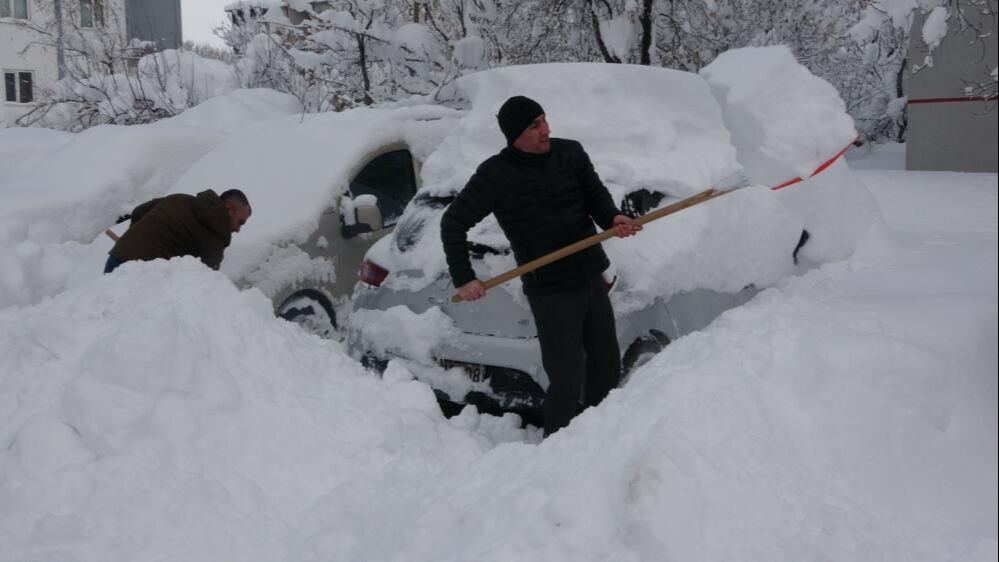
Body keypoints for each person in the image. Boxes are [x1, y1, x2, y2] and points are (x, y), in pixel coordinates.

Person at [440, 95, 641, 437]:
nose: (546, 129)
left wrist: (613, 217)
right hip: (550, 289)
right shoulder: (496, 175)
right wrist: (464, 277)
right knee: (567, 377)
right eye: (535, 125)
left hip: (590, 274)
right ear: (515, 135)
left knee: (606, 364)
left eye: (544, 120)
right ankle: (557, 447)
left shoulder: (570, 153)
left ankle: (600, 438)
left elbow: (594, 194)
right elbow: (453, 223)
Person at [104, 189, 251, 274]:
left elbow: (139, 211)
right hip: (140, 277)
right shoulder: (216, 234)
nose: (238, 229)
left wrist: (133, 242)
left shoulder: (180, 198)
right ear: (230, 209)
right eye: (240, 222)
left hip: (117, 258)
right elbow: (206, 279)